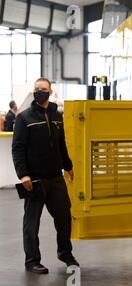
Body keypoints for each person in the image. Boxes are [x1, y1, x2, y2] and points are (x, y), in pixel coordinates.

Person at [12, 77, 79, 274]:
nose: (39, 91)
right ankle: (32, 261)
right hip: (35, 180)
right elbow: (18, 148)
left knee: (64, 218)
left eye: (43, 89)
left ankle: (65, 253)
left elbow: (61, 144)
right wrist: (23, 174)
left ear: (50, 92)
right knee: (31, 223)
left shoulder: (57, 115)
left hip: (56, 178)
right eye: (36, 89)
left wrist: (68, 166)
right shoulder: (24, 118)